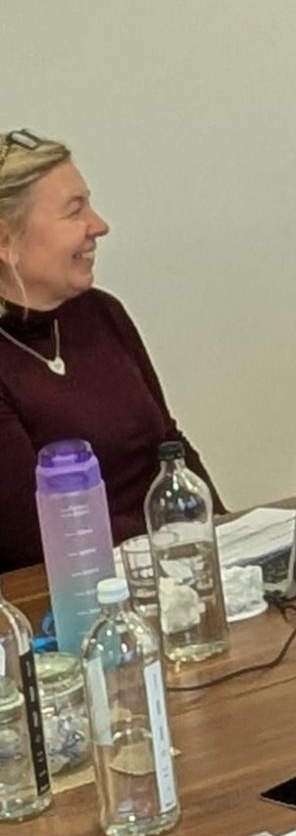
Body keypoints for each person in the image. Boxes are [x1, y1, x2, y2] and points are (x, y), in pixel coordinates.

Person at [0, 132, 214, 573]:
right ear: (6, 242)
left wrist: (223, 537)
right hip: (72, 597)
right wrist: (171, 542)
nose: (99, 225)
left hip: (173, 563)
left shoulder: (101, 313)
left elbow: (169, 448)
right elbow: (30, 533)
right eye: (74, 211)